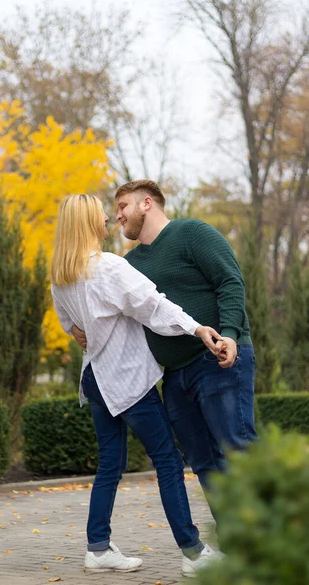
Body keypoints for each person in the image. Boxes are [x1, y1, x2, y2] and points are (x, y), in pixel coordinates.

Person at [51, 194, 224, 578]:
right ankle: (194, 553)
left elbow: (72, 328)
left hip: (94, 378)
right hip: (125, 378)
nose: (106, 217)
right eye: (100, 212)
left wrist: (87, 331)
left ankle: (97, 548)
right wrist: (196, 327)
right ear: (86, 222)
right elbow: (154, 306)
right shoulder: (108, 268)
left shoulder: (60, 276)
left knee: (110, 463)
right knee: (167, 460)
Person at [73, 180, 258, 494]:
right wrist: (82, 328)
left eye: (122, 207)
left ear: (146, 203)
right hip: (174, 377)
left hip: (217, 359)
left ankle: (273, 537)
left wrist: (229, 335)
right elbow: (113, 316)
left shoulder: (192, 233)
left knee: (238, 451)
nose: (117, 216)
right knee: (203, 462)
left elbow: (230, 281)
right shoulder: (129, 265)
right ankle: (233, 538)